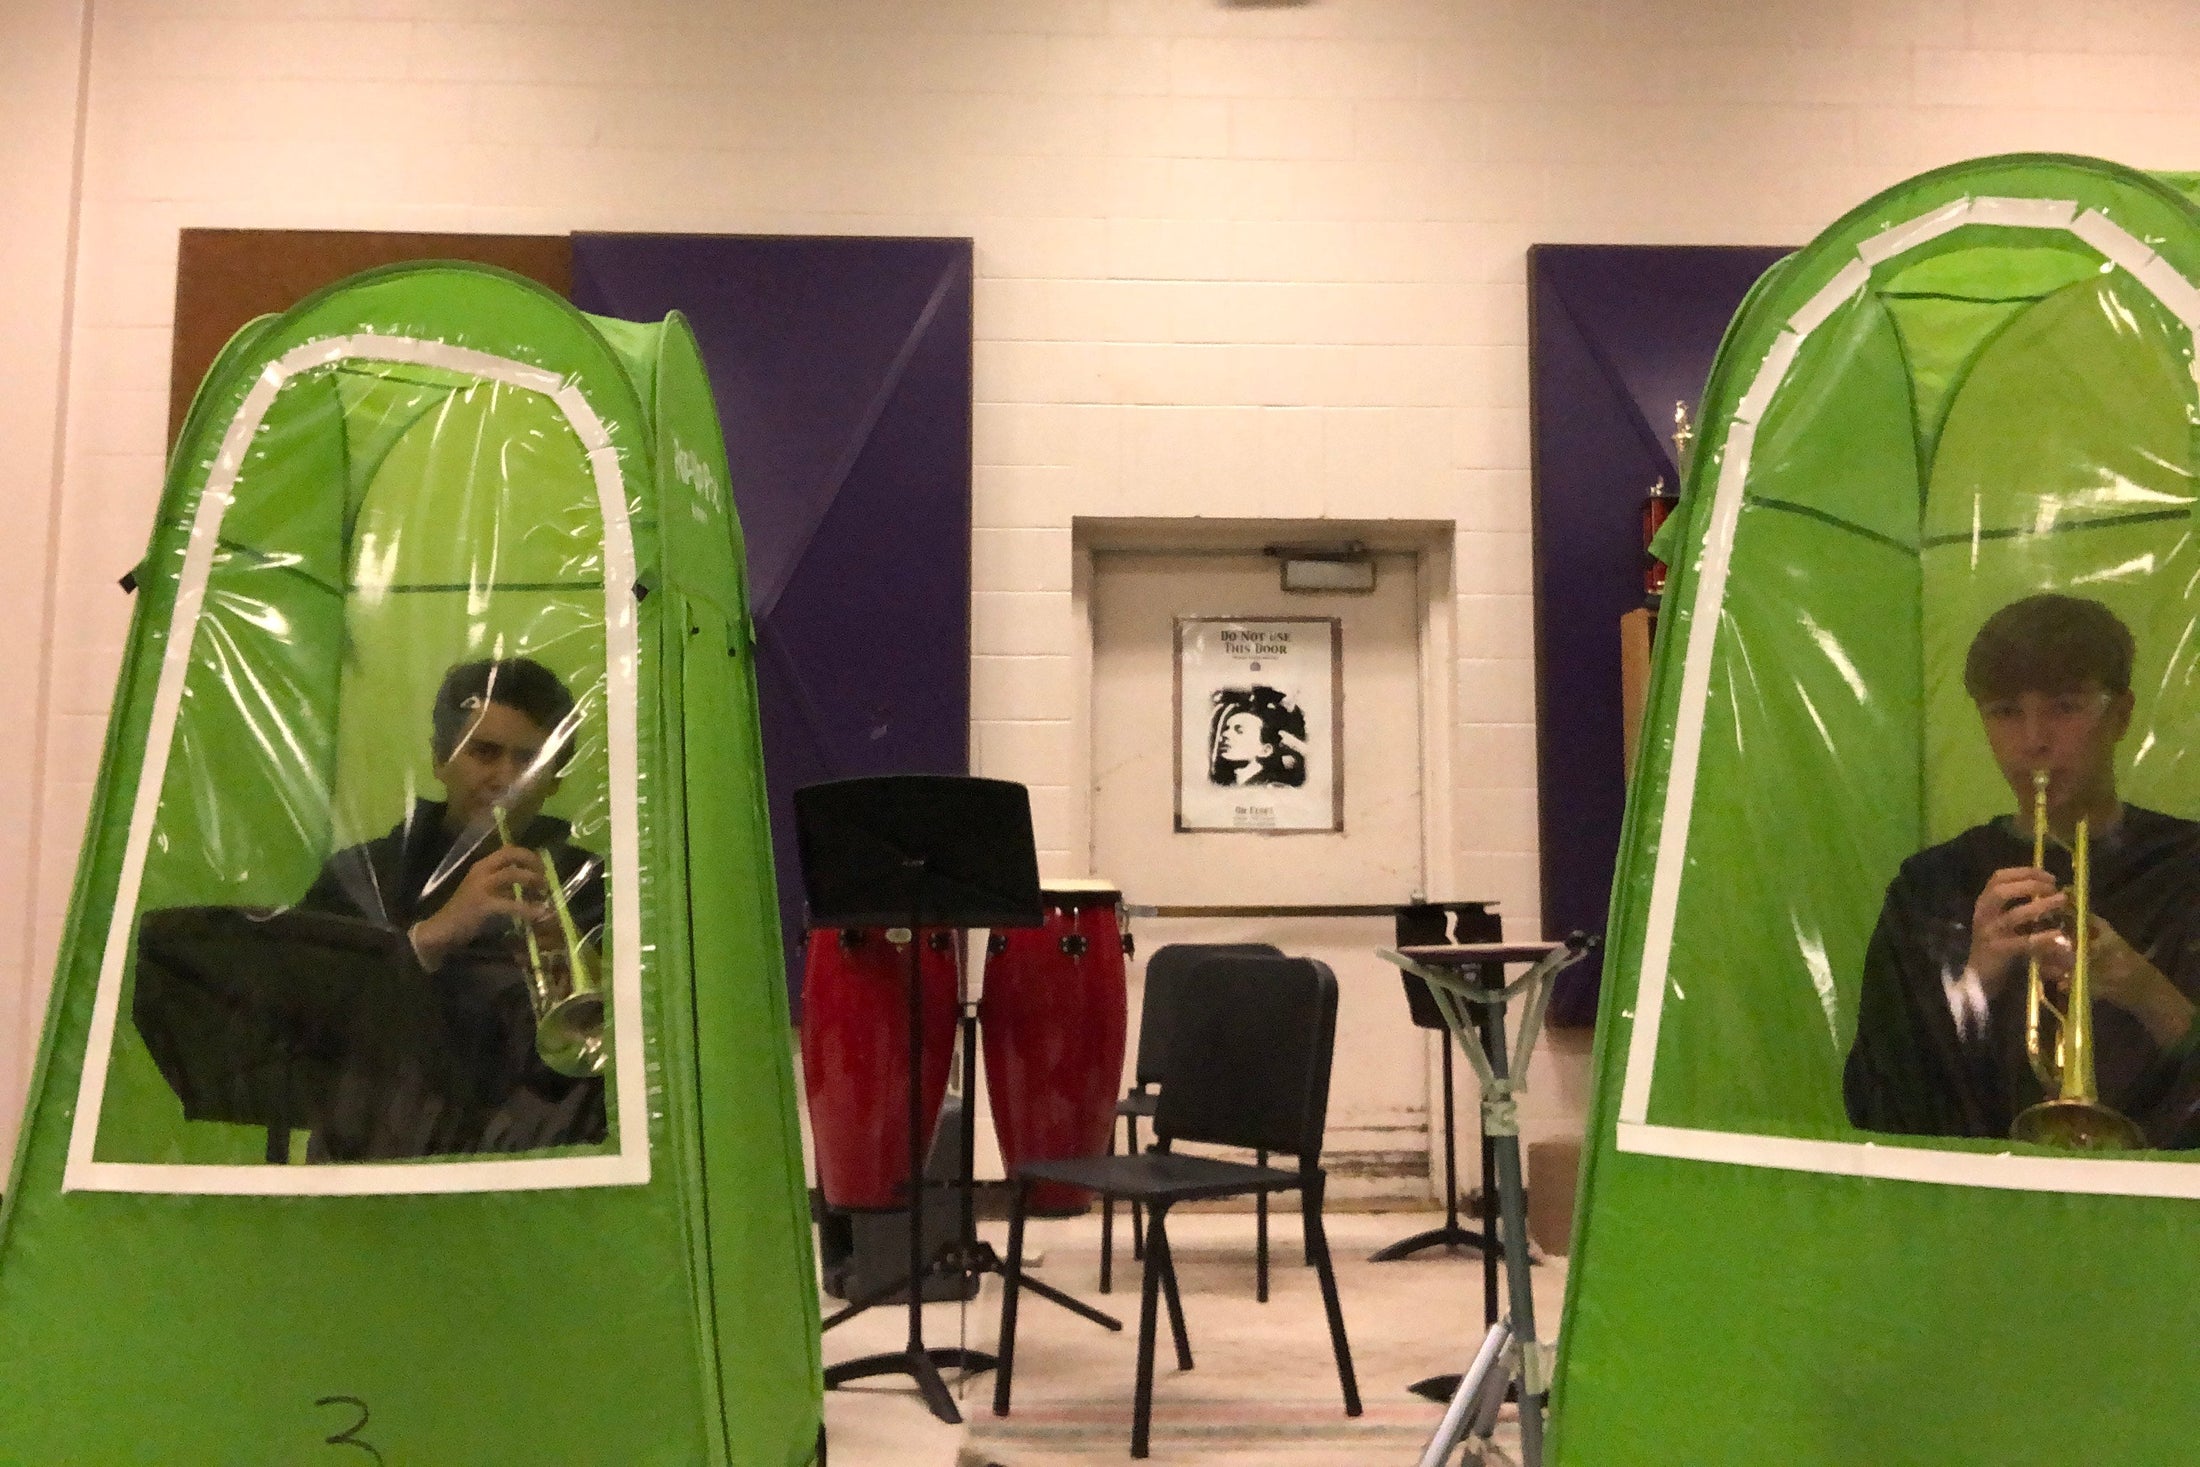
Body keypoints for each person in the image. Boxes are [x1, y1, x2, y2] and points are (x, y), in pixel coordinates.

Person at [1844, 593, 2200, 1148]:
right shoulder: (1929, 887)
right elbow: (1875, 1107)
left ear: (2121, 716)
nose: (2034, 740)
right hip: (1979, 1215)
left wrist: (2148, 993)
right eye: (2006, 711)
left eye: (2065, 707)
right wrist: (1976, 981)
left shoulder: (2188, 867)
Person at [298, 657, 607, 1160]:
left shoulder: (594, 886)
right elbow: (297, 1025)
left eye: (529, 759)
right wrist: (426, 939)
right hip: (376, 1178)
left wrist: (582, 972)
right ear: (441, 760)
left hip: (544, 1178)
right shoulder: (361, 876)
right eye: (484, 752)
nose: (505, 777)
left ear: (553, 778)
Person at [1207, 686, 1309, 787]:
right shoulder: (1221, 784)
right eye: (1226, 728)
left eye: (1240, 731)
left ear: (1265, 750)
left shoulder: (1274, 789)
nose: (1225, 734)